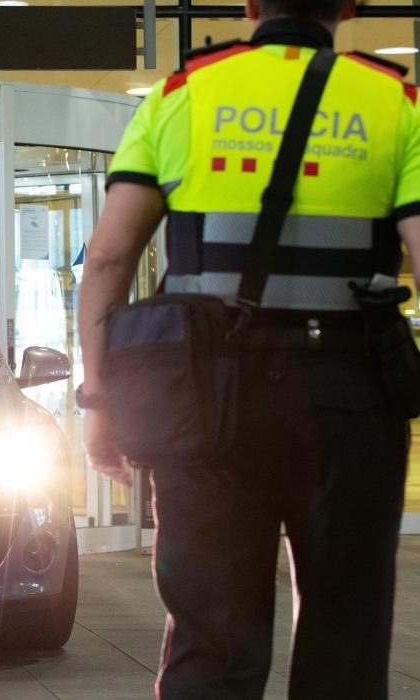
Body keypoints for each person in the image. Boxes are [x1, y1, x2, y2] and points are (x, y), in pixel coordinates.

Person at [77, 0, 420, 697]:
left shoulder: (187, 92)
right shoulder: (396, 101)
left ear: (250, 5)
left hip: (205, 400)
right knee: (346, 633)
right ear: (349, 6)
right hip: (352, 398)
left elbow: (110, 262)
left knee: (212, 635)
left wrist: (100, 401)